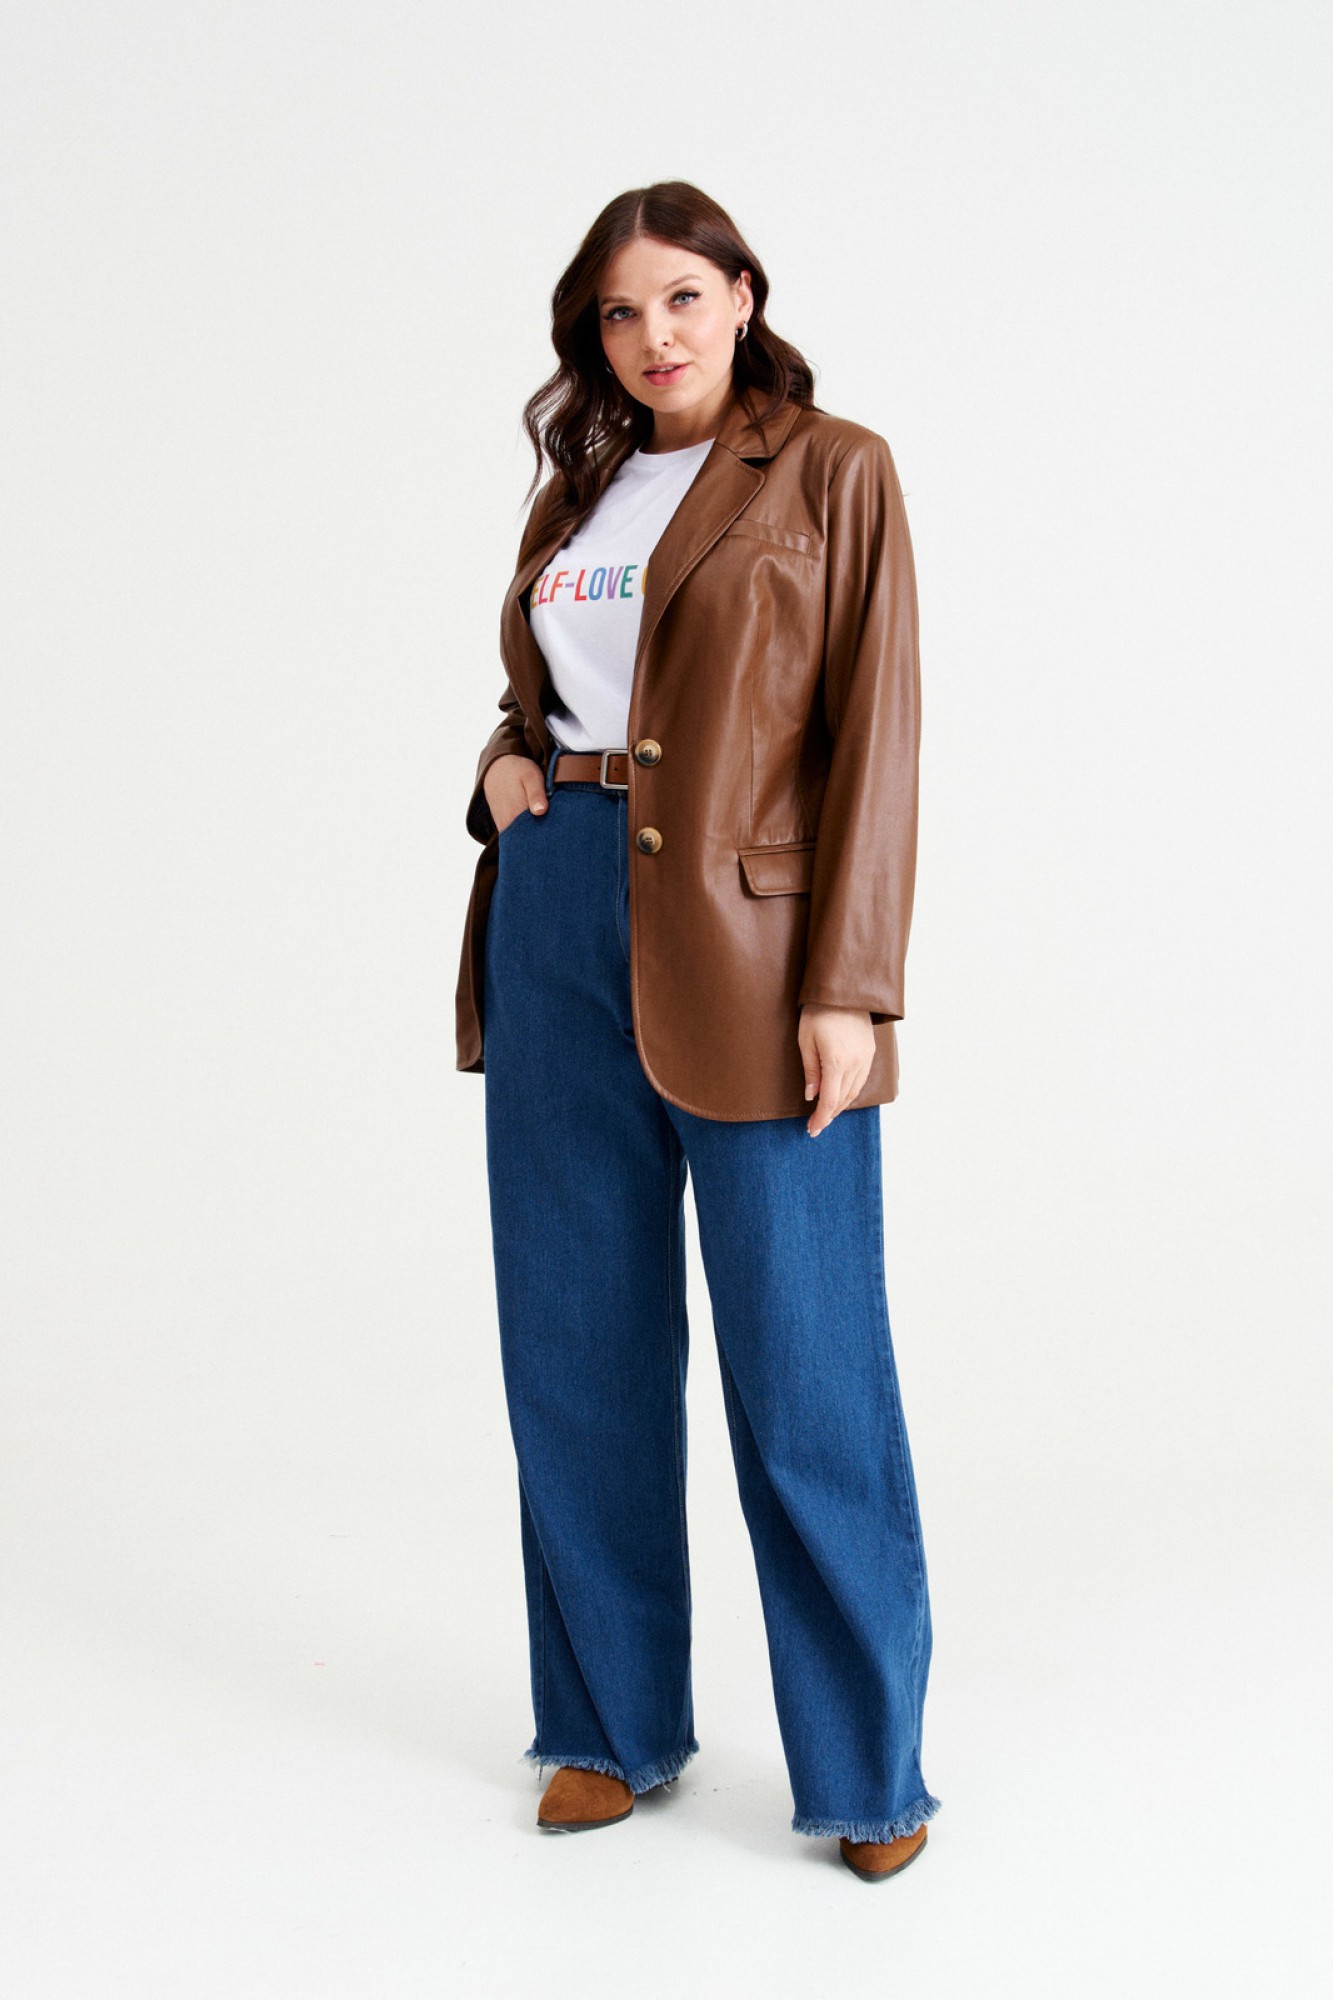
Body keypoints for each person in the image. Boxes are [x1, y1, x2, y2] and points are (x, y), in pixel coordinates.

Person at [454, 180, 941, 1882]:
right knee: (573, 1345)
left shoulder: (832, 470)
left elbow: (875, 733)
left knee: (805, 1366)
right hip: (557, 923)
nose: (649, 335)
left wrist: (849, 985)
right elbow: (552, 694)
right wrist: (500, 771)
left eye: (678, 296)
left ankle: (866, 1770)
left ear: (741, 294)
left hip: (753, 944)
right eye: (616, 312)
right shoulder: (580, 488)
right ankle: (604, 1725)